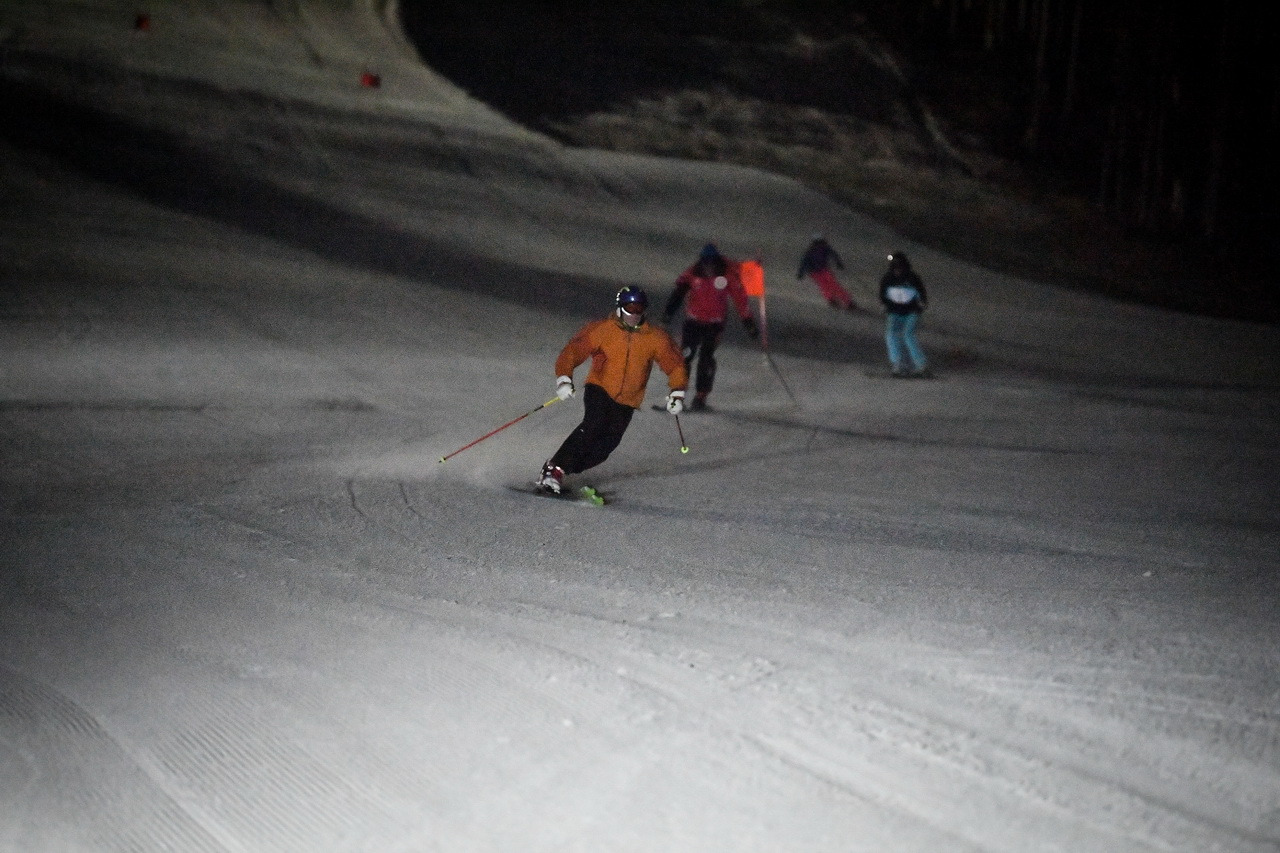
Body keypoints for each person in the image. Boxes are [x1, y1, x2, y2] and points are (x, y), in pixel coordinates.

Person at [538, 286, 688, 494]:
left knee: (606, 446)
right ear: (620, 308)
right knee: (593, 425)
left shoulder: (655, 337)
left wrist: (677, 392)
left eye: (638, 308)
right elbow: (573, 352)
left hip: (628, 399)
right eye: (630, 308)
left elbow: (676, 364)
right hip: (600, 387)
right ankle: (554, 469)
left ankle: (564, 471)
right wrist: (564, 379)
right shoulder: (603, 330)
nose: (634, 314)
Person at [660, 243, 759, 411]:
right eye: (706, 263)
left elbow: (740, 300)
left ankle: (700, 398)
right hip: (693, 322)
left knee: (706, 359)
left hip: (714, 325)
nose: (709, 267)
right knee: (685, 357)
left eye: (712, 263)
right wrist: (668, 314)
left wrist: (749, 323)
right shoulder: (693, 273)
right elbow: (678, 293)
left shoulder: (726, 275)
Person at [879, 251, 930, 377]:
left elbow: (921, 293)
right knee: (891, 335)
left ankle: (920, 364)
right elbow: (883, 294)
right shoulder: (888, 278)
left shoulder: (912, 278)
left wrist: (922, 303)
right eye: (895, 269)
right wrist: (884, 304)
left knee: (908, 335)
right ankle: (898, 363)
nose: (898, 271)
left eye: (900, 268)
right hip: (895, 312)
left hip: (911, 312)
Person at [797, 235, 858, 311]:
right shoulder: (820, 249)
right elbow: (804, 262)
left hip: (819, 271)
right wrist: (838, 263)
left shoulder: (815, 250)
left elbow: (804, 262)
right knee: (830, 286)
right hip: (818, 272)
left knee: (829, 286)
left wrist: (801, 272)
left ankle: (840, 300)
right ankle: (842, 301)